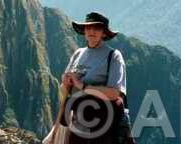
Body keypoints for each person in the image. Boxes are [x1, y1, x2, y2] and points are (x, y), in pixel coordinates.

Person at [56, 11, 130, 144]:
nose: (92, 31)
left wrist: (82, 86)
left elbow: (115, 94)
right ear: (84, 30)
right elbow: (63, 92)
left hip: (102, 122)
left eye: (97, 28)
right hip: (78, 121)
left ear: (104, 33)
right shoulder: (78, 53)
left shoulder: (113, 56)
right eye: (88, 27)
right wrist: (65, 84)